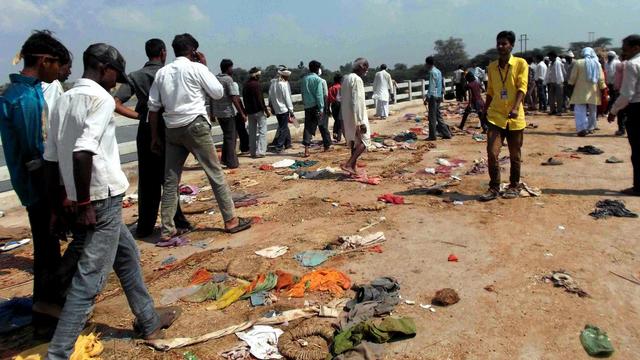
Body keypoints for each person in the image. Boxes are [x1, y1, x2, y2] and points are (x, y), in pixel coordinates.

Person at [44, 43, 181, 359]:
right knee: (89, 280)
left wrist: (58, 204)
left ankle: (148, 319)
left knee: (127, 254)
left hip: (83, 197)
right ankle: (59, 352)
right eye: (115, 74)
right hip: (99, 199)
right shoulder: (100, 99)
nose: (116, 81)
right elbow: (83, 151)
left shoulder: (63, 99)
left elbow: (52, 158)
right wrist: (83, 204)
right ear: (104, 68)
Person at [0, 30, 83, 338]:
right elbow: (37, 154)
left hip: (40, 185)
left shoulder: (28, 93)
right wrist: (58, 194)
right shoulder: (24, 100)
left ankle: (49, 310)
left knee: (48, 249)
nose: (59, 73)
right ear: (45, 61)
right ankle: (48, 313)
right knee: (55, 250)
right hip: (41, 187)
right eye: (57, 64)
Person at [148, 33, 252, 241]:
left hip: (172, 129)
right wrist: (204, 66)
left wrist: (154, 137)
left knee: (170, 181)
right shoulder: (197, 68)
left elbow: (153, 107)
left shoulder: (162, 73)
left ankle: (167, 230)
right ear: (193, 51)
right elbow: (216, 93)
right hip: (195, 124)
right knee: (215, 173)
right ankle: (230, 220)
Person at [114, 38, 191, 238]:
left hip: (146, 128)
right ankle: (176, 220)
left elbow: (116, 102)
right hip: (168, 126)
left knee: (147, 179)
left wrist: (140, 116)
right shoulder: (168, 73)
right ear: (164, 53)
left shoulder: (135, 76)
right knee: (170, 177)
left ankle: (145, 225)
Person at [479, 31, 529, 202]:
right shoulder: (492, 67)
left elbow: (522, 88)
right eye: (498, 43)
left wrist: (515, 108)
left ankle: (514, 185)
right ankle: (494, 187)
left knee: (515, 154)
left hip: (515, 118)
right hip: (496, 116)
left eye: (504, 44)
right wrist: (484, 111)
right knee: (492, 152)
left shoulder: (520, 64)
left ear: (511, 45)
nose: (500, 47)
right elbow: (491, 91)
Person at [608, 34, 640, 196]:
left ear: (636, 48)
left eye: (625, 48)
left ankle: (638, 186)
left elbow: (627, 93)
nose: (623, 51)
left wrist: (613, 111)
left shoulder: (632, 65)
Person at [211, 59, 246, 168]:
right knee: (231, 137)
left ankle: (225, 159)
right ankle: (232, 162)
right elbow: (234, 98)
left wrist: (212, 113)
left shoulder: (215, 79)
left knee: (227, 136)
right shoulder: (228, 80)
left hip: (218, 112)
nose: (232, 69)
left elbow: (211, 96)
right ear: (228, 68)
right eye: (231, 67)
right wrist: (241, 113)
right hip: (227, 112)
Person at [340, 58, 370, 175]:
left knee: (354, 141)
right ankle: (349, 163)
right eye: (366, 66)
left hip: (347, 115)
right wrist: (361, 121)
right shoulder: (357, 79)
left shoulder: (346, 78)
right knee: (365, 141)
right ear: (361, 66)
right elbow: (357, 101)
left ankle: (352, 167)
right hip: (357, 115)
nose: (367, 69)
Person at [568, 47, 606, 136]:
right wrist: (603, 88)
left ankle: (581, 128)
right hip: (593, 91)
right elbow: (601, 79)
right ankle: (591, 127)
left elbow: (573, 77)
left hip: (580, 91)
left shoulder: (578, 62)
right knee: (593, 110)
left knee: (580, 110)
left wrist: (570, 85)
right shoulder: (597, 64)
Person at [301, 60, 331, 157]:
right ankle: (327, 145)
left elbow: (303, 94)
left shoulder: (304, 79)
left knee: (308, 127)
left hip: (307, 106)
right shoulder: (318, 80)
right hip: (316, 106)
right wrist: (321, 108)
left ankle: (306, 149)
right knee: (322, 125)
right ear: (317, 69)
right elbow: (319, 95)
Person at [242, 67, 271, 158]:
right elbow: (260, 99)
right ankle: (261, 151)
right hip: (258, 110)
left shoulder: (245, 85)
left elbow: (245, 100)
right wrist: (266, 110)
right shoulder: (257, 85)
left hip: (250, 111)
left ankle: (253, 152)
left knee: (252, 132)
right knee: (262, 130)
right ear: (256, 76)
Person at [424, 56, 452, 140]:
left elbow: (432, 86)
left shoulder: (432, 72)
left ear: (427, 64)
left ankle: (432, 136)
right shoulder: (438, 71)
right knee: (438, 115)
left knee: (432, 117)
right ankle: (446, 133)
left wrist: (427, 98)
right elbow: (441, 84)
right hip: (439, 95)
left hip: (433, 96)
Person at [268, 65, 294, 153]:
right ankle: (279, 146)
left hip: (276, 109)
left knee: (284, 126)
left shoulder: (273, 84)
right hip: (284, 109)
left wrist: (271, 106)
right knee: (283, 128)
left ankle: (288, 143)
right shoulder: (283, 85)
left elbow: (270, 97)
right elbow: (287, 98)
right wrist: (291, 110)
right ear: (284, 76)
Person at [328, 73, 343, 142]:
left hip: (333, 105)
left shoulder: (331, 88)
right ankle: (338, 136)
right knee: (339, 120)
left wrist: (328, 108)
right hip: (340, 105)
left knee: (336, 120)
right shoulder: (341, 87)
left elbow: (328, 99)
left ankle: (335, 134)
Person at [606, 51, 621, 116]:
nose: (609, 58)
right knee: (610, 97)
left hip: (615, 83)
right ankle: (609, 110)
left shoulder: (617, 63)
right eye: (609, 56)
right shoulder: (606, 63)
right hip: (608, 83)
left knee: (614, 97)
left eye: (611, 57)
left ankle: (610, 110)